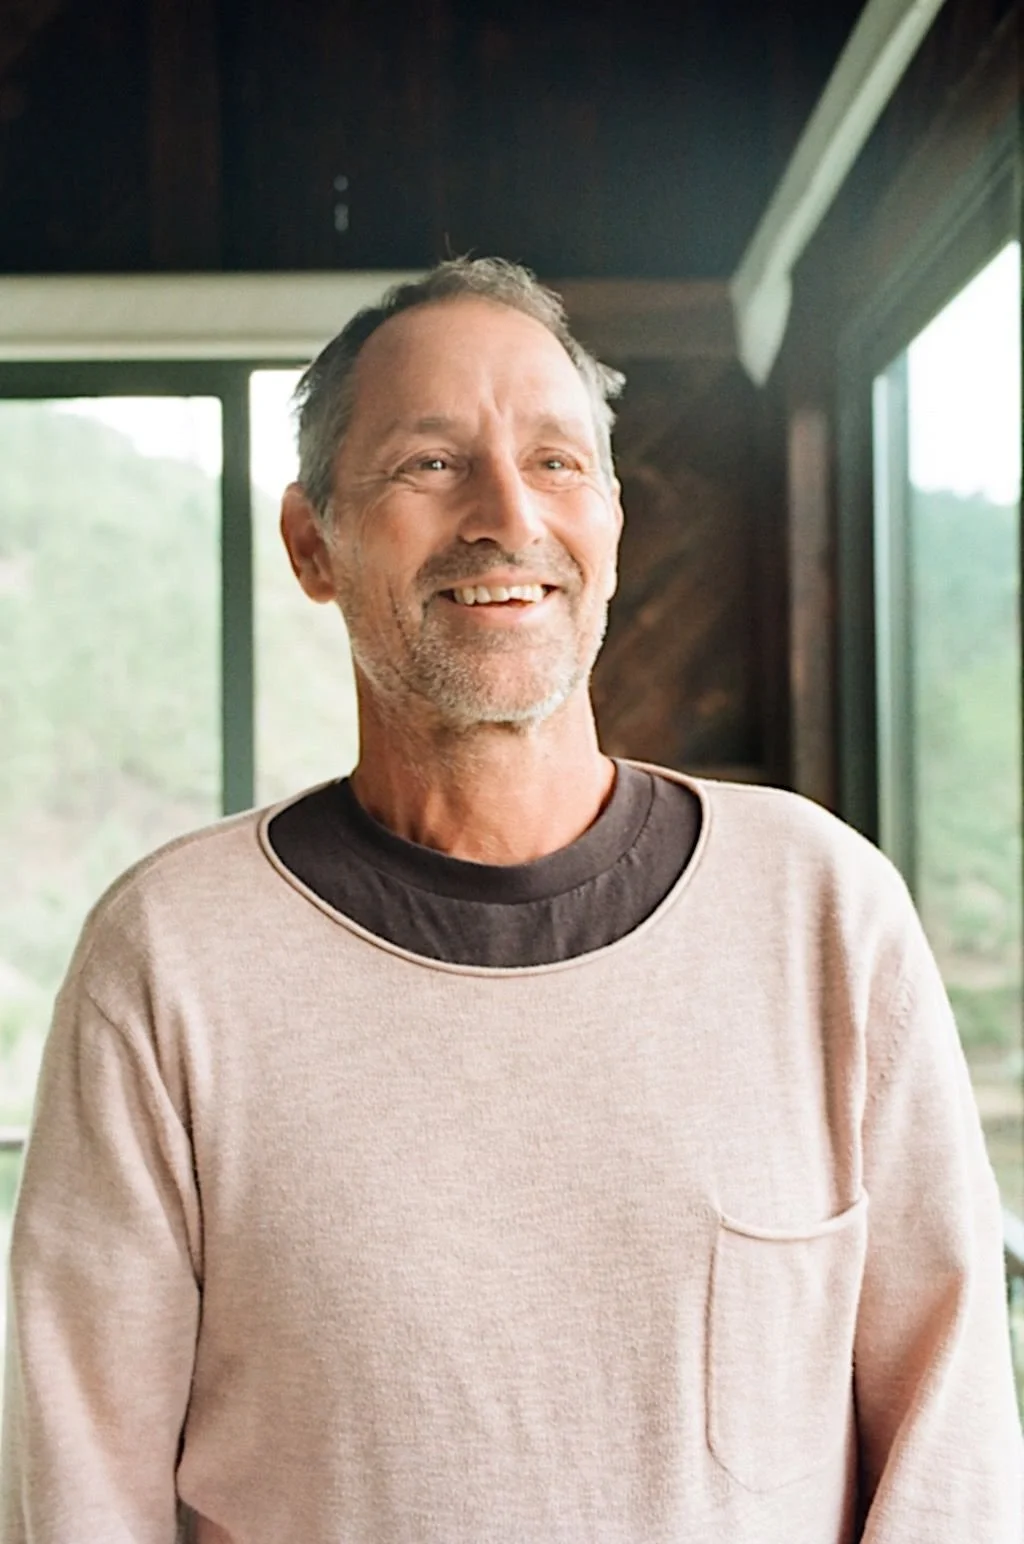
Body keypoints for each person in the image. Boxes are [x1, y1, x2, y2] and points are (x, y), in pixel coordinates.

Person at [1, 256, 1021, 1544]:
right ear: (311, 545)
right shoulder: (168, 958)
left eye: (555, 462)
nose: (505, 515)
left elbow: (954, 1454)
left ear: (609, 522)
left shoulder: (822, 910)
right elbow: (81, 1488)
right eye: (429, 464)